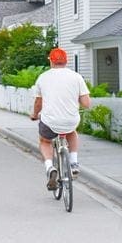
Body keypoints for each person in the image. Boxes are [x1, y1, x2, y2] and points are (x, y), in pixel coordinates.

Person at [29, 47, 91, 191]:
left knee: (45, 141)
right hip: (70, 120)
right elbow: (86, 103)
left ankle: (50, 167)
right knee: (72, 133)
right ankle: (74, 163)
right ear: (66, 61)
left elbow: (38, 103)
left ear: (51, 61)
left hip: (50, 122)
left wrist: (34, 114)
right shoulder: (76, 77)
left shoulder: (43, 77)